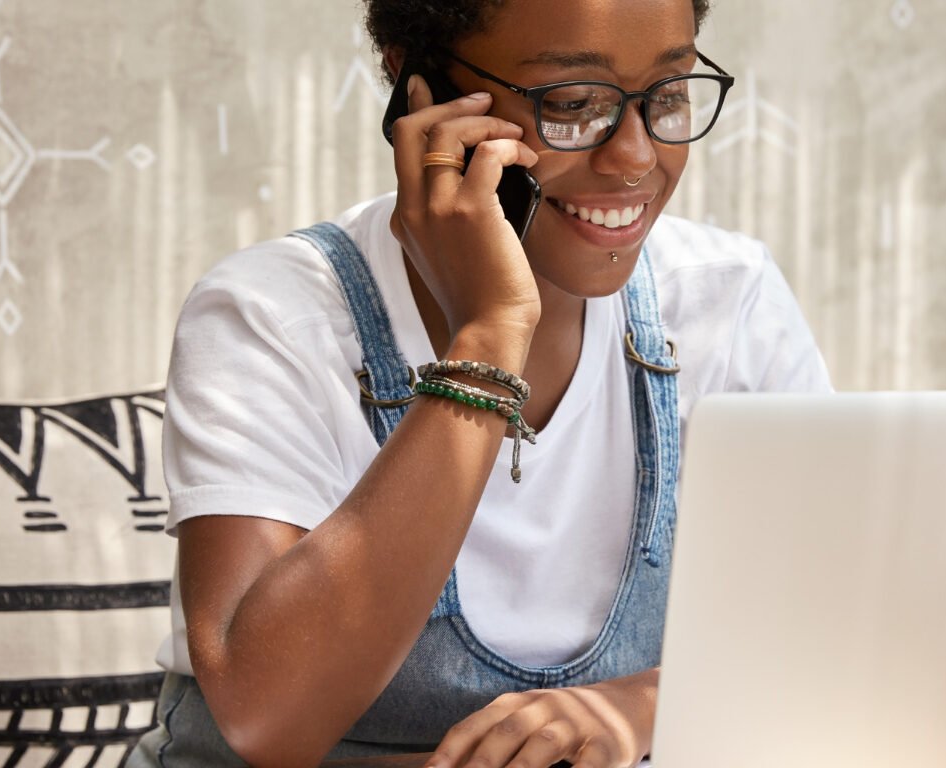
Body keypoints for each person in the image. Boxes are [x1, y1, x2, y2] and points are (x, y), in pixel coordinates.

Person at [129, 0, 829, 765]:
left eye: (666, 96)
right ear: (417, 88)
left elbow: (835, 633)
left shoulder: (727, 301)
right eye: (573, 105)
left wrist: (647, 704)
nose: (635, 156)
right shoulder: (273, 315)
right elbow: (268, 718)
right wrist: (490, 336)